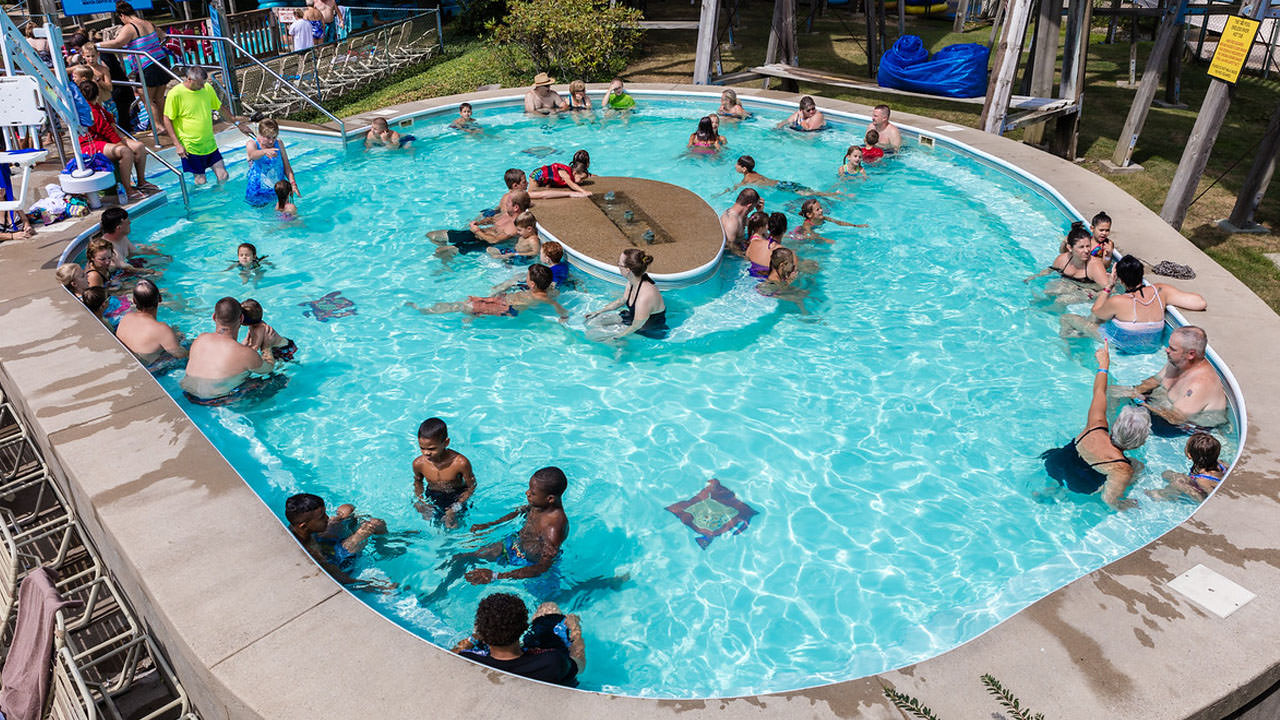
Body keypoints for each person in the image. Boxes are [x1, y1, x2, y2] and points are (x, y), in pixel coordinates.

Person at [1040, 343, 1149, 510]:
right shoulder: (1122, 468)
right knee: (1139, 467)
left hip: (1054, 462)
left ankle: (1051, 489)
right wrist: (1126, 505)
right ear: (1140, 442)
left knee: (1067, 467)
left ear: (1115, 427)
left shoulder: (1095, 425)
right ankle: (1063, 493)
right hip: (1079, 485)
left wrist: (1104, 365)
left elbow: (1099, 391)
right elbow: (1109, 500)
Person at [1063, 255, 1206, 354]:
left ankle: (1068, 349)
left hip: (1122, 346)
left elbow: (1096, 311)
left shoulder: (1118, 301)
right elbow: (1200, 303)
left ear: (1121, 280)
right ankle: (1079, 335)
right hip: (1152, 347)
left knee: (1069, 318)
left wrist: (1108, 286)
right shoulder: (1160, 291)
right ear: (1141, 274)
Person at [463, 466, 570, 585]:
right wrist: (490, 525)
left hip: (530, 564)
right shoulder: (539, 504)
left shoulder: (553, 529)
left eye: (532, 493)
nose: (527, 493)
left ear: (550, 498)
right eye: (529, 489)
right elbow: (519, 512)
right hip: (513, 545)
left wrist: (497, 576)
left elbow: (543, 567)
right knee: (465, 556)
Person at [452, 594, 584, 687]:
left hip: (490, 656)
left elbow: (452, 653)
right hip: (537, 662)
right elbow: (580, 665)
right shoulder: (552, 661)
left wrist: (475, 637)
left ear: (481, 630)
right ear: (525, 628)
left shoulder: (466, 659)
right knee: (549, 607)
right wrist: (575, 631)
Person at [1110, 326, 1230, 429]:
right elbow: (1154, 380)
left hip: (1188, 428)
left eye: (1172, 349)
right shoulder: (1178, 360)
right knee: (1111, 392)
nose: (1167, 350)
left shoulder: (1200, 384)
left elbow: (1175, 419)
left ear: (1191, 354)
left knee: (1129, 424)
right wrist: (1133, 391)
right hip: (1163, 409)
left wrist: (1140, 402)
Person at [179, 296, 276, 405]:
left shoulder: (200, 338)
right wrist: (267, 346)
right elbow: (268, 368)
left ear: (214, 317)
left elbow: (221, 357)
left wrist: (245, 347)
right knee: (277, 380)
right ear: (241, 319)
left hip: (187, 394)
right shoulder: (245, 354)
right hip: (213, 400)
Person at [98, 2, 169, 139]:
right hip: (161, 61)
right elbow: (162, 35)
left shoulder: (130, 27)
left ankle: (158, 126)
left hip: (147, 66)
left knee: (147, 99)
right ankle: (163, 124)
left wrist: (97, 45)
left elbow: (118, 43)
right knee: (159, 98)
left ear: (122, 15)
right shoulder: (148, 23)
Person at [285, 493, 387, 586]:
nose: (327, 518)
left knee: (347, 509)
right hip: (338, 555)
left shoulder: (299, 527)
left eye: (325, 513)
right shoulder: (311, 553)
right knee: (375, 524)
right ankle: (386, 549)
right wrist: (377, 586)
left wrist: (339, 520)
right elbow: (342, 579)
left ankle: (348, 522)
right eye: (321, 517)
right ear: (303, 526)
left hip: (322, 541)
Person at [410, 264, 569, 321]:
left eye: (527, 278)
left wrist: (564, 316)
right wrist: (562, 314)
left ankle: (426, 311)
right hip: (507, 302)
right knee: (474, 304)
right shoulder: (546, 291)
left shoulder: (539, 295)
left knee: (464, 306)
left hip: (507, 308)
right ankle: (472, 316)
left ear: (532, 284)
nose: (525, 279)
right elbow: (555, 302)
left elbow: (556, 305)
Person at [76, 81, 151, 201]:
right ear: (98, 92)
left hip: (104, 141)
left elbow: (109, 119)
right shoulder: (90, 110)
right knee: (125, 151)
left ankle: (141, 181)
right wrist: (121, 143)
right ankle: (128, 190)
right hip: (90, 145)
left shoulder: (96, 106)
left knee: (139, 147)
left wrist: (122, 137)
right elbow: (106, 130)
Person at [162, 66, 227, 185]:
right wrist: (177, 145)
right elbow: (167, 119)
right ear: (189, 79)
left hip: (209, 143)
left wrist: (236, 122)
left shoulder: (206, 88)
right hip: (190, 146)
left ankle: (223, 201)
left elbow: (219, 107)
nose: (203, 86)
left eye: (204, 83)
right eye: (200, 84)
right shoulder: (175, 94)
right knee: (201, 181)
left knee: (223, 176)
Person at [584, 249, 668, 339]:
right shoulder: (632, 282)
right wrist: (599, 312)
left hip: (647, 329)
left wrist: (617, 337)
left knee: (593, 336)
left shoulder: (645, 296)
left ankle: (622, 349)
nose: (618, 266)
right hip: (633, 319)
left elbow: (637, 326)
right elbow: (622, 300)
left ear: (627, 270)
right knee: (591, 322)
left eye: (619, 264)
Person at [412, 417, 477, 529]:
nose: (426, 453)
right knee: (434, 525)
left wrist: (456, 507)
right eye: (422, 448)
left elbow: (472, 487)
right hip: (433, 494)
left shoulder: (460, 463)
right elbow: (418, 482)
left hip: (457, 495)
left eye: (432, 449)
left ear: (446, 442)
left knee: (453, 526)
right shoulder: (419, 464)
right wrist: (422, 501)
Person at [429, 191, 533, 257]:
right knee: (432, 235)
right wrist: (479, 223)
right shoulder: (507, 213)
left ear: (516, 207)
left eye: (509, 202)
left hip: (483, 244)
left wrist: (477, 231)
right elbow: (492, 220)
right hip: (476, 234)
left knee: (440, 251)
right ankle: (448, 256)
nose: (506, 203)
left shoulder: (515, 226)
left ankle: (447, 263)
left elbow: (494, 240)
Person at [115, 279, 187, 371]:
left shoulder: (126, 318)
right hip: (144, 372)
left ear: (134, 301)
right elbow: (182, 356)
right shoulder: (162, 329)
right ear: (160, 298)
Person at [1025, 221, 1108, 292]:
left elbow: (1108, 289)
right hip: (1069, 286)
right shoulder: (1062, 259)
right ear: (1070, 248)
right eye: (1081, 247)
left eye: (1088, 246)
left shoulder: (1094, 265)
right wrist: (1033, 278)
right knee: (1047, 291)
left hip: (1087, 292)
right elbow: (1049, 270)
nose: (1086, 251)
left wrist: (1083, 289)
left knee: (1063, 300)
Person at [1146, 432, 1226, 503]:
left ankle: (1162, 495)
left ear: (1189, 455)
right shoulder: (1221, 463)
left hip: (1202, 495)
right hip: (1200, 482)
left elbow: (1210, 499)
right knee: (1168, 474)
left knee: (1178, 482)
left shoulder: (1202, 480)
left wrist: (1189, 489)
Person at [724, 155, 841, 197]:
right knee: (808, 191)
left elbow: (736, 187)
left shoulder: (747, 178)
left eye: (737, 164)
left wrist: (723, 192)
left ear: (744, 168)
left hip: (779, 187)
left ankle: (831, 194)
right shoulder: (754, 173)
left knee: (808, 193)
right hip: (782, 183)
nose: (735, 166)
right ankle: (831, 193)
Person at [244, 118, 299, 207]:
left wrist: (293, 184)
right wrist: (264, 151)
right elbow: (252, 154)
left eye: (274, 137)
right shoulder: (252, 143)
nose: (271, 141)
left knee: (288, 214)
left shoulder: (279, 143)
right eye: (268, 137)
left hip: (278, 190)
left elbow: (287, 166)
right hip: (258, 191)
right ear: (260, 135)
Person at [789, 198, 865, 244]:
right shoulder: (807, 224)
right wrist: (825, 239)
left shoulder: (823, 218)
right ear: (809, 215)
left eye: (821, 208)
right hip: (801, 233)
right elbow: (811, 235)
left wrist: (855, 225)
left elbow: (838, 222)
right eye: (817, 210)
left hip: (815, 230)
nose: (821, 210)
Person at [756, 246, 807, 313]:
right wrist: (789, 282)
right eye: (791, 263)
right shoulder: (771, 284)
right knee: (799, 297)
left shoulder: (775, 279)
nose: (793, 266)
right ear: (782, 265)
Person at [77, 43, 117, 118]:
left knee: (113, 126)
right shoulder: (83, 70)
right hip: (93, 105)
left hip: (106, 102)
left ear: (98, 54)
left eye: (93, 56)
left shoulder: (103, 70)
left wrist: (98, 79)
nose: (91, 59)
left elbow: (110, 87)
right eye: (88, 56)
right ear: (83, 56)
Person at [720, 188, 761, 253]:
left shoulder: (742, 216)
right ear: (749, 206)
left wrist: (760, 211)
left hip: (741, 245)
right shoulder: (731, 223)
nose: (753, 209)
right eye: (753, 207)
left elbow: (756, 224)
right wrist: (747, 256)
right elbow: (729, 247)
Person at [744, 211, 777, 279]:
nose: (768, 227)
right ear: (761, 227)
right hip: (758, 271)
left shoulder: (762, 235)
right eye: (767, 224)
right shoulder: (755, 240)